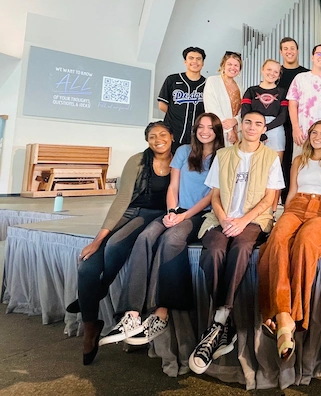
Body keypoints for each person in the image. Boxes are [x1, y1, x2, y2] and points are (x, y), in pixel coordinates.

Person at [99, 113, 225, 348]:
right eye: (200, 126)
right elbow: (173, 186)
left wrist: (183, 217)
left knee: (171, 240)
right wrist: (171, 211)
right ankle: (132, 314)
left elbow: (212, 195)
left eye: (210, 127)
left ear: (217, 131)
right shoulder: (183, 151)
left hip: (200, 214)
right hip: (177, 209)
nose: (205, 131)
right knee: (145, 236)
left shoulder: (222, 156)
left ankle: (161, 313)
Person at [67, 122, 173, 365]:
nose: (158, 139)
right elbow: (123, 198)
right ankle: (91, 326)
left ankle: (101, 287)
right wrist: (97, 240)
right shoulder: (137, 160)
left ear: (171, 136)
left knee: (115, 244)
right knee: (87, 265)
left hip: (154, 215)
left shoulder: (179, 159)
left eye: (163, 134)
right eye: (152, 136)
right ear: (147, 140)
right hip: (130, 211)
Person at [188, 110, 285, 374]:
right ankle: (225, 326)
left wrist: (243, 221)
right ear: (241, 126)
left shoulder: (270, 158)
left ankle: (220, 319)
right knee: (215, 249)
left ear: (264, 128)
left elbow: (269, 199)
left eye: (258, 124)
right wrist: (223, 218)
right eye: (248, 122)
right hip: (222, 217)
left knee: (242, 247)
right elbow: (215, 195)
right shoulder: (224, 155)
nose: (252, 127)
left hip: (253, 220)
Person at [258, 120, 321, 359]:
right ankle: (283, 316)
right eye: (314, 133)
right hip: (296, 207)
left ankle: (294, 315)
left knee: (306, 243)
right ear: (308, 136)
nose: (317, 137)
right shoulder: (298, 160)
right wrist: (282, 218)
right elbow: (293, 193)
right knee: (277, 240)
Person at [278, 37, 309, 203]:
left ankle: (300, 199)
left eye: (292, 48)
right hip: (279, 126)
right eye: (285, 48)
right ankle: (284, 200)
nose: (289, 51)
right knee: (283, 164)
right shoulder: (276, 73)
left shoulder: (306, 74)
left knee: (300, 162)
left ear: (297, 51)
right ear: (281, 52)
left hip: (300, 125)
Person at [158, 47, 207, 150]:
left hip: (197, 136)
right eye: (191, 58)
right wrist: (178, 116)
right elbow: (162, 105)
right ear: (185, 61)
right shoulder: (172, 79)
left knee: (192, 165)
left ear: (203, 63)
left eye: (198, 59)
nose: (195, 61)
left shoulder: (208, 84)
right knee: (169, 163)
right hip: (172, 133)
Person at [241, 59, 288, 163]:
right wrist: (258, 131)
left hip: (275, 128)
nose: (272, 73)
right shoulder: (251, 91)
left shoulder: (283, 92)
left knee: (274, 165)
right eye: (269, 69)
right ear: (262, 70)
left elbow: (283, 116)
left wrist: (265, 129)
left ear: (279, 75)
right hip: (253, 128)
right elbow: (245, 113)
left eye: (276, 72)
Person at [204, 51, 243, 146]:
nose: (233, 68)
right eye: (229, 64)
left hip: (237, 130)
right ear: (223, 65)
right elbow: (212, 107)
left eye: (236, 65)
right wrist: (229, 130)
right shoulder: (212, 81)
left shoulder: (240, 86)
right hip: (219, 129)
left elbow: (243, 109)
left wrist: (236, 120)